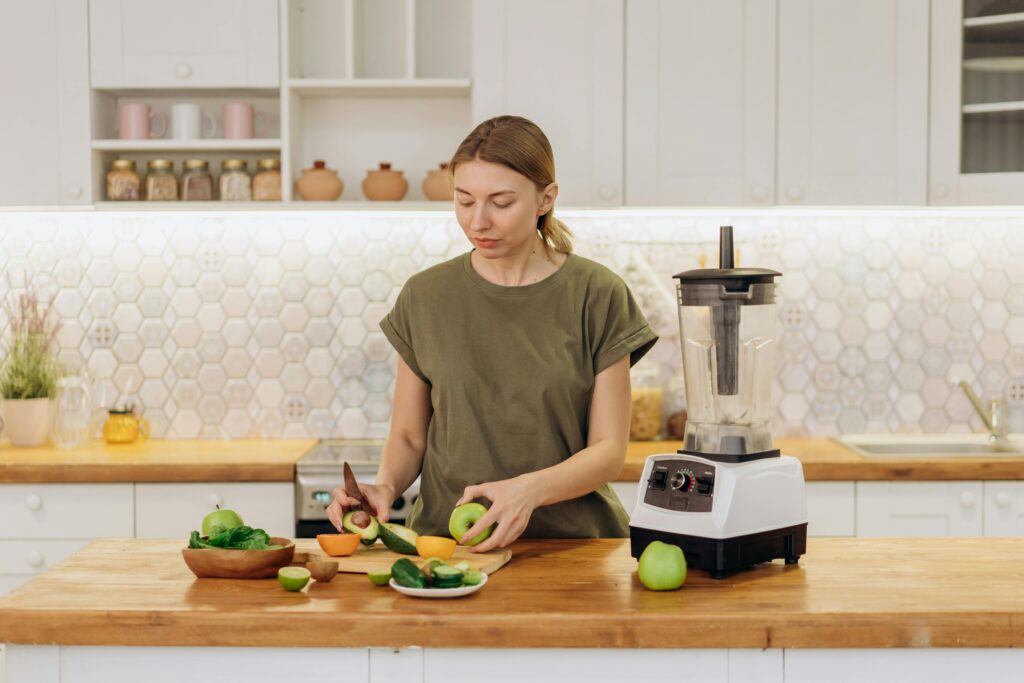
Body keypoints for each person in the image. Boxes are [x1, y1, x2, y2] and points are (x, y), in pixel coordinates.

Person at [326, 115, 657, 552]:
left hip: (573, 550)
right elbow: (408, 436)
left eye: (501, 203)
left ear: (546, 198)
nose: (478, 221)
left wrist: (528, 492)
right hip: (449, 547)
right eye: (464, 201)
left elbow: (609, 450)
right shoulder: (425, 297)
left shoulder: (597, 294)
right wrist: (386, 487)